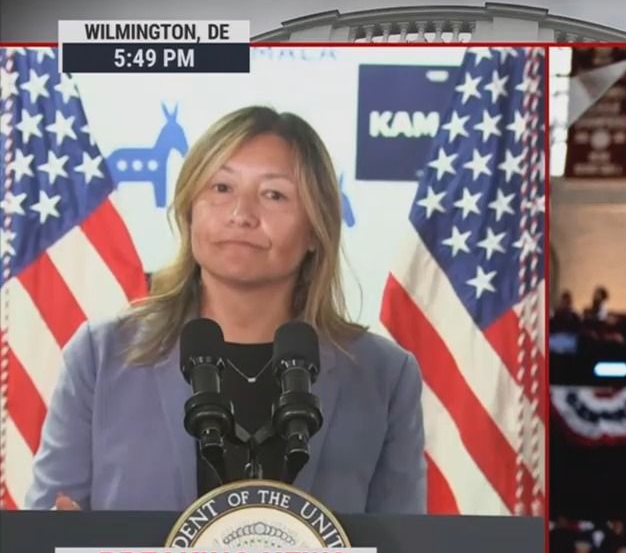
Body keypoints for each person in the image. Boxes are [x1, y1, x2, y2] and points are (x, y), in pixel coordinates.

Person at [24, 106, 425, 513]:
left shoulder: (384, 376)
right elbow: (44, 542)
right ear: (188, 209)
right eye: (221, 188)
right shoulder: (101, 355)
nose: (241, 215)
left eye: (274, 195)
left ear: (315, 231)